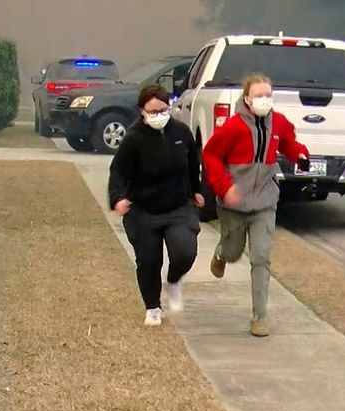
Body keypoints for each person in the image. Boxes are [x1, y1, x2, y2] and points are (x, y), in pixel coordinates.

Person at [202, 73, 309, 337]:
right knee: (234, 251)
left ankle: (259, 317)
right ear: (247, 99)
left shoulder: (279, 123)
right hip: (233, 204)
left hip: (264, 201)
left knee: (261, 258)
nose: (264, 100)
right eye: (259, 96)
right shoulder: (233, 127)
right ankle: (221, 253)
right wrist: (226, 188)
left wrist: (299, 154)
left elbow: (288, 142)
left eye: (268, 95)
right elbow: (211, 155)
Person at [108, 84, 205, 326]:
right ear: (142, 111)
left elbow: (193, 166)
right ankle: (153, 306)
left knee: (185, 251)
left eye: (163, 110)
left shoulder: (182, 133)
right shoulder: (133, 139)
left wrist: (197, 191)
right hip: (143, 209)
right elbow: (117, 172)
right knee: (148, 260)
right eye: (153, 112)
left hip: (178, 206)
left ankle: (173, 281)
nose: (159, 116)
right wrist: (118, 198)